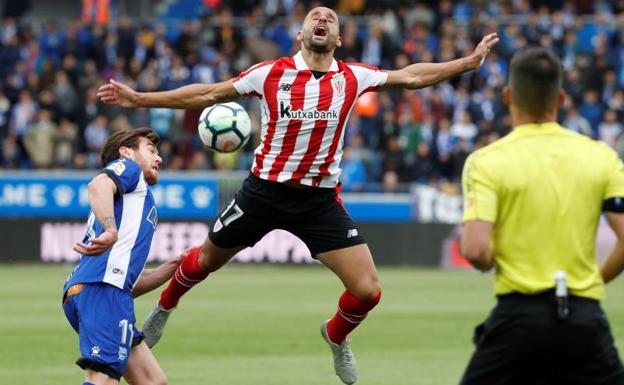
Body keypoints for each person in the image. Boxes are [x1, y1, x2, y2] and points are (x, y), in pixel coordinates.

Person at [97, 7, 498, 384]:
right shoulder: (270, 73)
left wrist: (466, 62)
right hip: (263, 193)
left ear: (338, 38)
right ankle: (164, 308)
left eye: (330, 18)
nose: (322, 18)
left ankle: (336, 335)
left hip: (317, 203)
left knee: (368, 290)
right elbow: (208, 94)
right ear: (301, 33)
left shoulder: (353, 77)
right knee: (204, 260)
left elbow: (410, 75)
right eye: (314, 16)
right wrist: (141, 99)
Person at [459, 47, 624, 385]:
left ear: (508, 96)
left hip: (518, 317)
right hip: (583, 316)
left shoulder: (486, 161)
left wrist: (491, 261)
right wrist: (591, 282)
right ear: (560, 98)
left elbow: (476, 250)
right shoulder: (601, 157)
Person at [62, 127, 184, 385]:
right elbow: (98, 184)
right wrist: (110, 229)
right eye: (151, 150)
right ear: (126, 153)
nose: (159, 158)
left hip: (102, 289)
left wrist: (175, 266)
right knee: (103, 378)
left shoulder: (129, 196)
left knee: (152, 381)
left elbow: (129, 283)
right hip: (102, 290)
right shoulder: (129, 169)